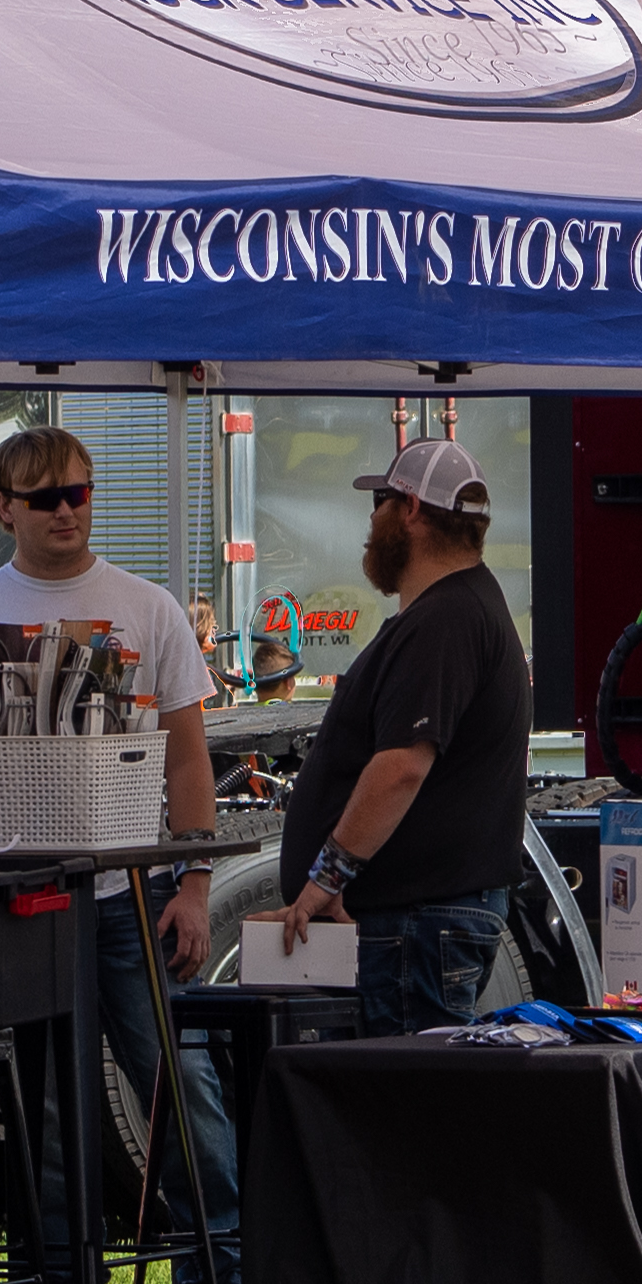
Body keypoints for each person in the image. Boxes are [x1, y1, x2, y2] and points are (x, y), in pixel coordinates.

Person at [0, 425, 239, 1284]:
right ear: (3, 506)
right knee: (43, 1103)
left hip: (130, 884)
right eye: (45, 497)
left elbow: (188, 762)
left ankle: (225, 1279)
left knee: (178, 1079)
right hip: (17, 894)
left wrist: (196, 886)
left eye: (79, 494)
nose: (65, 511)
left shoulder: (148, 606)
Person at [267, 436, 536, 1038]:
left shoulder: (446, 618)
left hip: (415, 923)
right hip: (417, 920)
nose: (372, 521)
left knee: (403, 1114)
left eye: (380, 502)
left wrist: (323, 883)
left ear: (410, 509)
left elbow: (401, 768)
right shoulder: (457, 610)